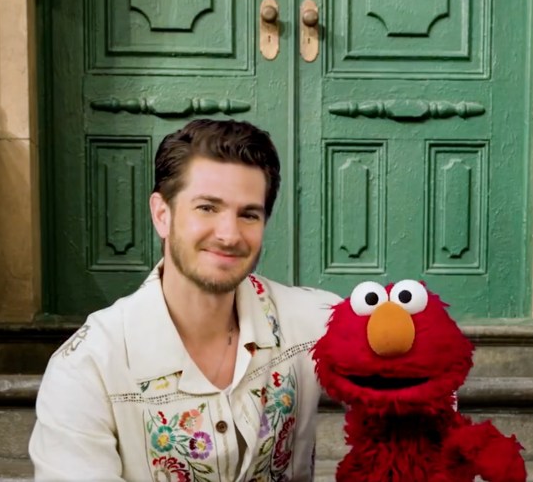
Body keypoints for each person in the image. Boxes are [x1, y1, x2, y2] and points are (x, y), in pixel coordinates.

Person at [29, 119, 341, 481]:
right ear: (162, 214)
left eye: (248, 214)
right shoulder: (88, 368)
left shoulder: (308, 322)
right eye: (207, 207)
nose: (229, 234)